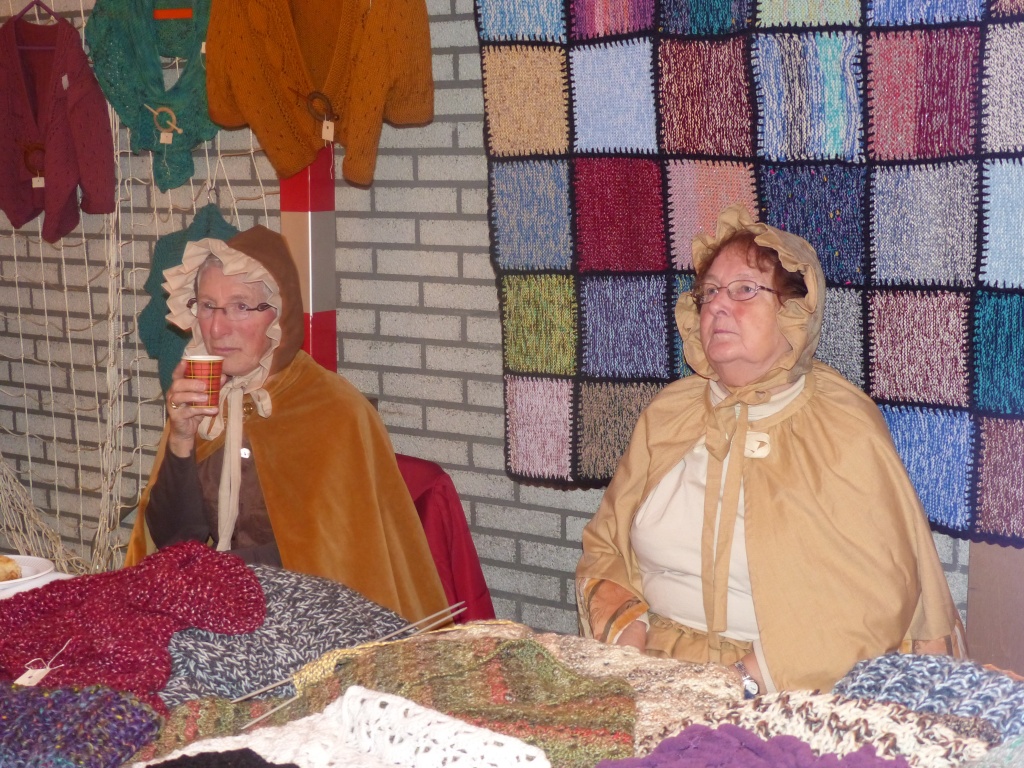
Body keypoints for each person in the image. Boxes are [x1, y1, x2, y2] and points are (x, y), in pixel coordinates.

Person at [576, 205, 964, 695]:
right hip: (655, 667)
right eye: (710, 292)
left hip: (795, 686)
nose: (718, 306)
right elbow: (606, 545)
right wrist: (629, 645)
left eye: (744, 290)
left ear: (793, 313)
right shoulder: (667, 415)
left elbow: (871, 601)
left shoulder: (843, 426)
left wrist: (744, 679)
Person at [125, 225, 448, 623]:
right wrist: (181, 440)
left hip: (311, 619)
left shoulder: (334, 411)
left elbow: (344, 567)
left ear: (280, 315)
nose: (217, 328)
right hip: (217, 608)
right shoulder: (203, 401)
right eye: (207, 305)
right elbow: (174, 542)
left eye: (240, 306)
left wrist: (230, 577)